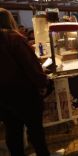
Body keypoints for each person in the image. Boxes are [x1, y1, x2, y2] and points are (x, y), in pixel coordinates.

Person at [0, 8, 51, 156]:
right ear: (10, 20)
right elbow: (31, 66)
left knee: (12, 131)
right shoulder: (14, 39)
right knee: (35, 131)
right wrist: (43, 82)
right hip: (24, 94)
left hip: (3, 97)